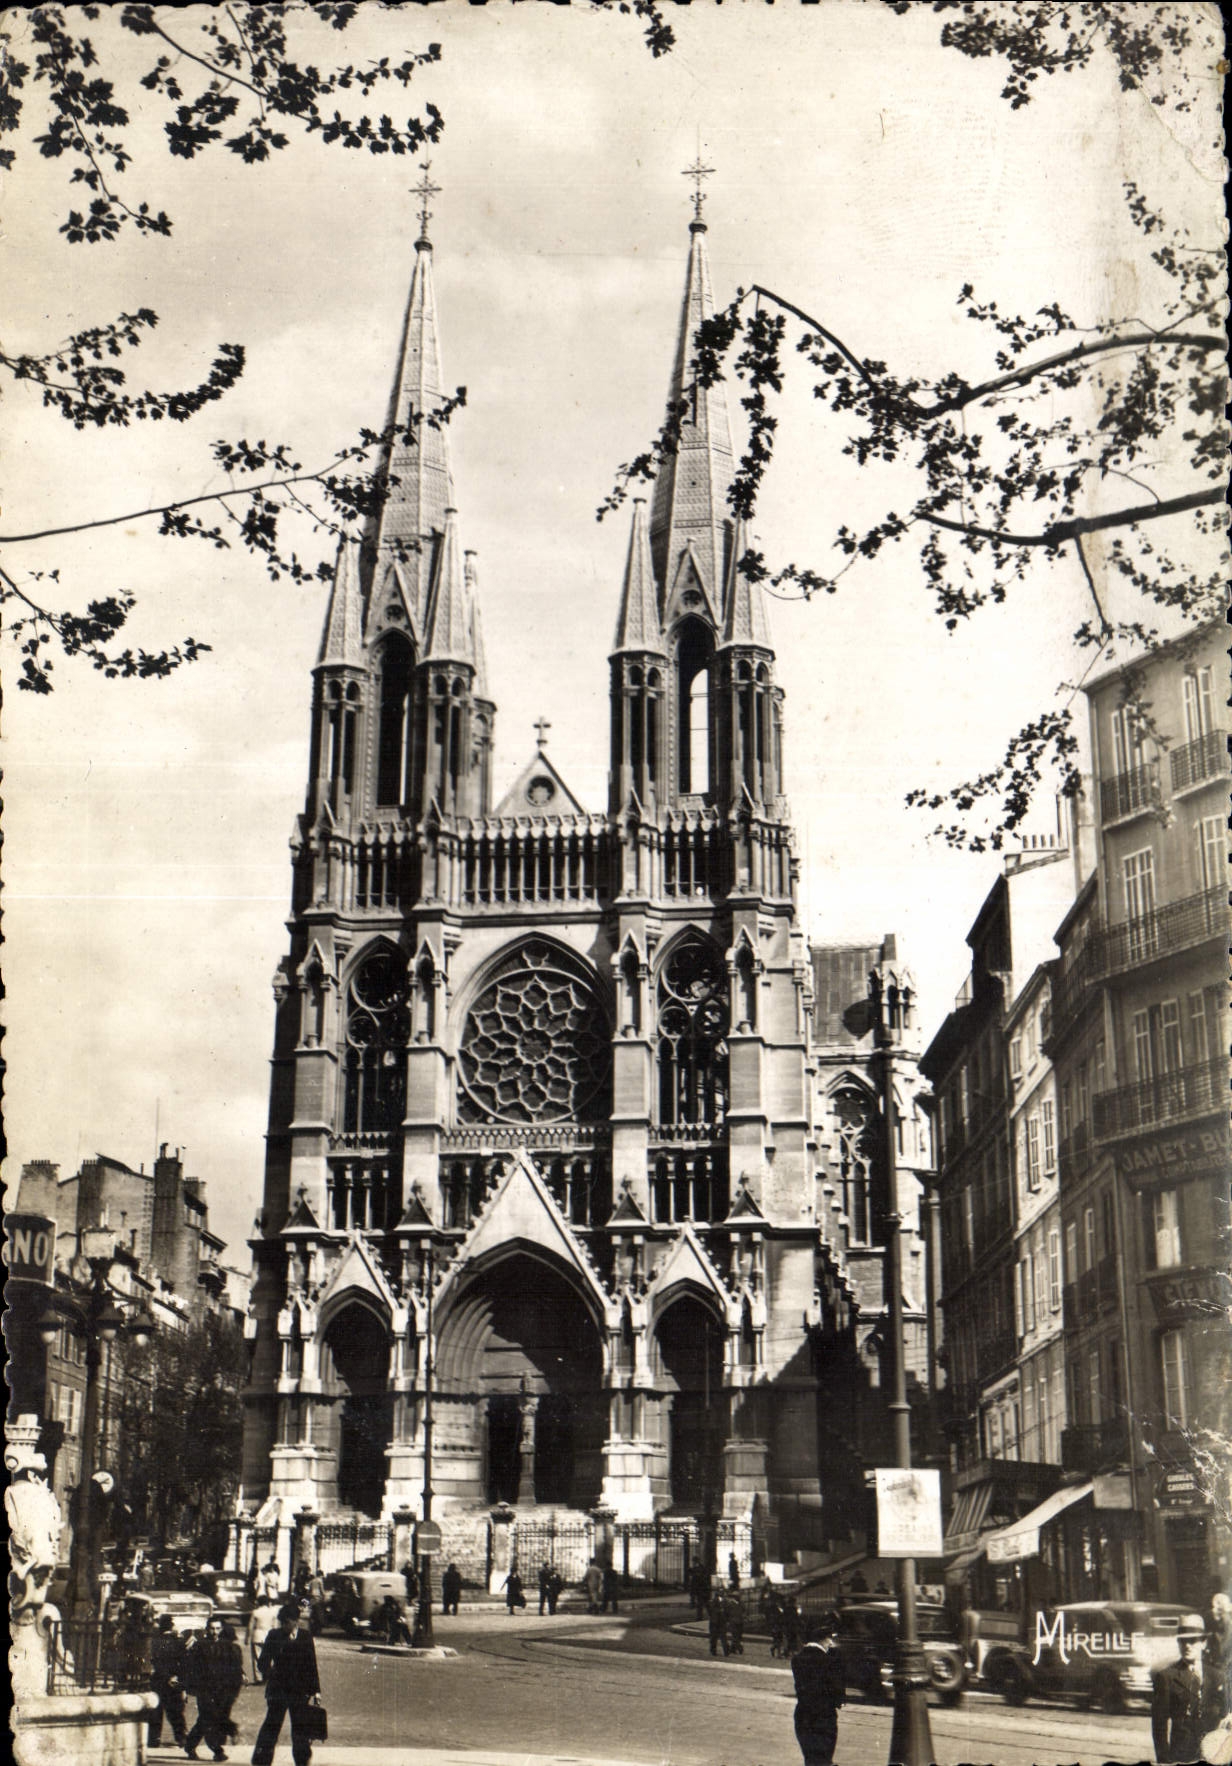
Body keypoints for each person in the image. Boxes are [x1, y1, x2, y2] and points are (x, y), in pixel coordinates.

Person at [251, 1601, 321, 1766]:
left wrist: (316, 1691)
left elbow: (312, 1664)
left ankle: (302, 1761)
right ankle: (261, 1761)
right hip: (278, 1691)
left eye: (286, 1622)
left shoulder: (305, 1637)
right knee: (271, 1726)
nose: (283, 1625)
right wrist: (271, 1675)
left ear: (295, 1621)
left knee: (300, 1729)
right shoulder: (274, 1635)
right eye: (281, 1622)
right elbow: (262, 1662)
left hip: (300, 1691)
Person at [184, 1614, 244, 1763]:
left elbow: (235, 1666)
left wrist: (240, 1676)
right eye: (212, 1628)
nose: (215, 1632)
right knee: (210, 1718)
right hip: (205, 1689)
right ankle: (218, 1751)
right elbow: (191, 1668)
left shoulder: (228, 1646)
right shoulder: (199, 1646)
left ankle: (190, 1745)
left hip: (222, 1690)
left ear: (221, 1629)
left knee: (206, 1720)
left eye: (217, 1628)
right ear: (207, 1629)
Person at [791, 1612, 846, 1766]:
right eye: (830, 1639)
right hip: (824, 1717)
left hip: (803, 1715)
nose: (831, 1643)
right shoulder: (829, 1660)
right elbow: (837, 1689)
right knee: (824, 1759)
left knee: (811, 1759)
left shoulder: (797, 1659)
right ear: (824, 1639)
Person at [1151, 1627, 1204, 1764]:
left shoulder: (1218, 1674)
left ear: (1204, 1643)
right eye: (1182, 1641)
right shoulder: (1167, 1677)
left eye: (1192, 1641)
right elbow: (1159, 1724)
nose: (1187, 1645)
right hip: (1182, 1755)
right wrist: (1164, 1759)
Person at [149, 1614, 188, 1749]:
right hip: (174, 1681)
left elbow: (154, 1662)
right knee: (176, 1712)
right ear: (172, 1626)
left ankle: (153, 1740)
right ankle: (181, 1738)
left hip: (158, 1680)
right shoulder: (179, 1643)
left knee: (156, 1713)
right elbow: (183, 1663)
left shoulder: (155, 1642)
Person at [247, 1597, 281, 1683]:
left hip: (257, 1635)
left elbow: (250, 1626)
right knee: (269, 1656)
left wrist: (247, 1637)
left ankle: (259, 1678)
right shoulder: (273, 1612)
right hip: (269, 1635)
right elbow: (275, 1625)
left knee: (257, 1657)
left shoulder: (255, 1612)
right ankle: (268, 1676)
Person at [708, 1589, 729, 1658]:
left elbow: (710, 1611)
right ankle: (725, 1651)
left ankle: (714, 1650)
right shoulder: (725, 1602)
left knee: (714, 1637)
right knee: (723, 1637)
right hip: (721, 1622)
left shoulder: (712, 1601)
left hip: (715, 1622)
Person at [306, 1571, 327, 1637]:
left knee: (313, 1614)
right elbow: (322, 1590)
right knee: (319, 1614)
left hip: (312, 1599)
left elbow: (308, 1590)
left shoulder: (312, 1581)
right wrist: (324, 1596)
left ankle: (311, 1629)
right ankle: (318, 1630)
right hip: (318, 1598)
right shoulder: (320, 1581)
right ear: (320, 1575)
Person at [725, 1589, 744, 1657]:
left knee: (738, 1635)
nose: (739, 1598)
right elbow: (727, 1613)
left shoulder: (741, 1603)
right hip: (733, 1622)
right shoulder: (730, 1604)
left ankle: (732, 1648)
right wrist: (727, 1621)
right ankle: (739, 1647)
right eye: (737, 1596)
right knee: (735, 1635)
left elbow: (743, 1611)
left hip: (740, 1622)